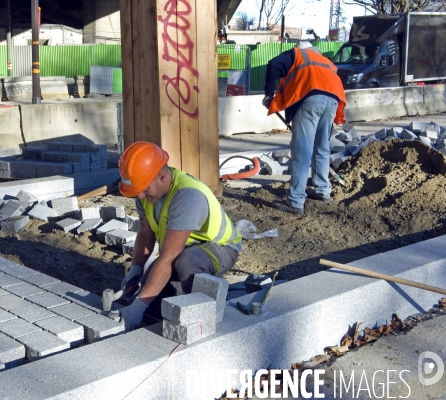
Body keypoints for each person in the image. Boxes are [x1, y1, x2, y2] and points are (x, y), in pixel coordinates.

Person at [117, 141, 242, 331]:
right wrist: (136, 269)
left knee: (186, 263)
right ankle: (176, 297)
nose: (140, 197)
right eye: (137, 191)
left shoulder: (186, 197)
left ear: (161, 176)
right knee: (150, 292)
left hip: (220, 248)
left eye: (144, 190)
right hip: (182, 248)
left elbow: (168, 258)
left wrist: (137, 308)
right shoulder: (146, 191)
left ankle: (204, 314)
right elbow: (145, 232)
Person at [262, 40, 346, 214]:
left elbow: (274, 64)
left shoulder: (297, 54)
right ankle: (323, 191)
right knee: (321, 147)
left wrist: (269, 94)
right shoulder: (326, 62)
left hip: (310, 100)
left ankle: (295, 201)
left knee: (302, 150)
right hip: (332, 101)